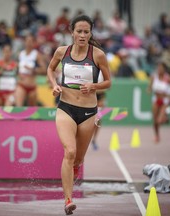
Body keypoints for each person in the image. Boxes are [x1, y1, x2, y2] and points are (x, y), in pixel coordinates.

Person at [47, 15, 111, 215]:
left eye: (86, 32)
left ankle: (72, 173)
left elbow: (108, 82)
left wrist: (94, 86)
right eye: (79, 31)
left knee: (78, 159)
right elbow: (50, 69)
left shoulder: (98, 55)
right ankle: (68, 200)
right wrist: (55, 85)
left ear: (90, 33)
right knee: (70, 152)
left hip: (88, 112)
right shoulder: (61, 51)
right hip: (65, 108)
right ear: (72, 32)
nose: (82, 35)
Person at [148, 61, 170, 143]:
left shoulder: (168, 78)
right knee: (155, 121)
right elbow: (150, 88)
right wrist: (150, 90)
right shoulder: (154, 77)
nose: (159, 69)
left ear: (164, 69)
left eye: (161, 68)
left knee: (159, 120)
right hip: (156, 99)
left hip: (165, 100)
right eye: (158, 68)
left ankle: (166, 118)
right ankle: (157, 136)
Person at [15, 33, 46, 106]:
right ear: (24, 42)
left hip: (31, 86)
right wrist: (18, 74)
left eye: (30, 41)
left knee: (32, 110)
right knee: (18, 107)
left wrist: (33, 70)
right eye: (27, 41)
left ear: (34, 43)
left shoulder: (36, 54)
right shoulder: (20, 54)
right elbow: (16, 68)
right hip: (21, 84)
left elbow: (44, 69)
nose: (28, 43)